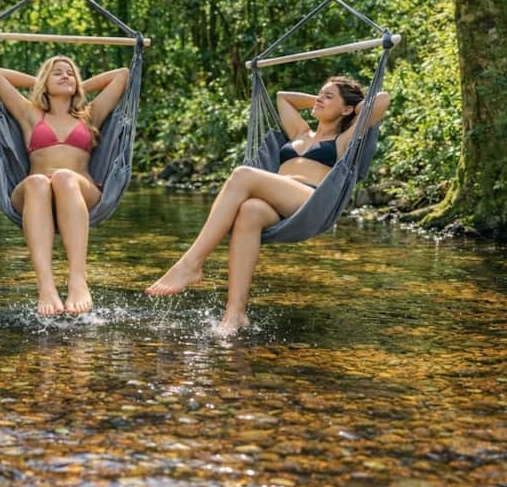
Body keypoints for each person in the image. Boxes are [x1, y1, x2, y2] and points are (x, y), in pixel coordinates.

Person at [145, 76, 390, 335]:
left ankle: (191, 264)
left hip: (311, 200)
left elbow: (382, 100)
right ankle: (235, 313)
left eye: (328, 96)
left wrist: (353, 108)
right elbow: (283, 97)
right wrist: (321, 101)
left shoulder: (344, 139)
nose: (320, 98)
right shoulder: (300, 132)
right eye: (320, 93)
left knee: (242, 175)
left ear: (347, 109)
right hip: (277, 202)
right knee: (249, 210)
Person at [0, 55, 129, 317]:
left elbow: (122, 75)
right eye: (57, 73)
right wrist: (41, 83)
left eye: (70, 73)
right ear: (45, 82)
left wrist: (78, 86)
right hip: (35, 194)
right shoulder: (30, 115)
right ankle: (46, 286)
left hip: (80, 190)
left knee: (64, 177)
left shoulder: (90, 115)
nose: (65, 76)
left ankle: (77, 280)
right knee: (38, 181)